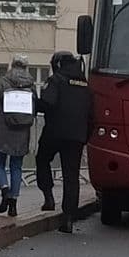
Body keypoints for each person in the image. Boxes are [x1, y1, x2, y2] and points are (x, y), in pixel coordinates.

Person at [37, 52, 94, 233]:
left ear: (58, 64)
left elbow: (47, 104)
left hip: (54, 132)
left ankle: (48, 197)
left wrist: (34, 103)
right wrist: (85, 136)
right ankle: (68, 218)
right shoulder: (85, 85)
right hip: (77, 137)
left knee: (42, 159)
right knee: (71, 176)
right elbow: (92, 115)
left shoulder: (56, 80)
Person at [0, 55, 37, 218]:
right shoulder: (31, 85)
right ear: (26, 67)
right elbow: (35, 106)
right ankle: (13, 202)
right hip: (22, 130)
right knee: (17, 166)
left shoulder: (3, 81)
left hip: (3, 126)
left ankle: (4, 189)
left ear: (12, 65)